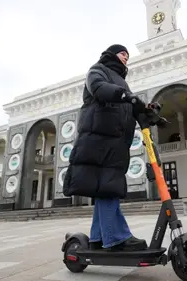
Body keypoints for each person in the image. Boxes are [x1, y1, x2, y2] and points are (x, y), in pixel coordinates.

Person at [63, 44, 148, 252]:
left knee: (105, 189)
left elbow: (131, 105)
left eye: (128, 55)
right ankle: (116, 238)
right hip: (100, 141)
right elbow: (99, 88)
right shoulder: (97, 70)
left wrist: (149, 114)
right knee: (109, 188)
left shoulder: (123, 83)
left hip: (115, 142)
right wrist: (124, 95)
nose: (126, 57)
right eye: (122, 53)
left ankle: (97, 238)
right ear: (112, 54)